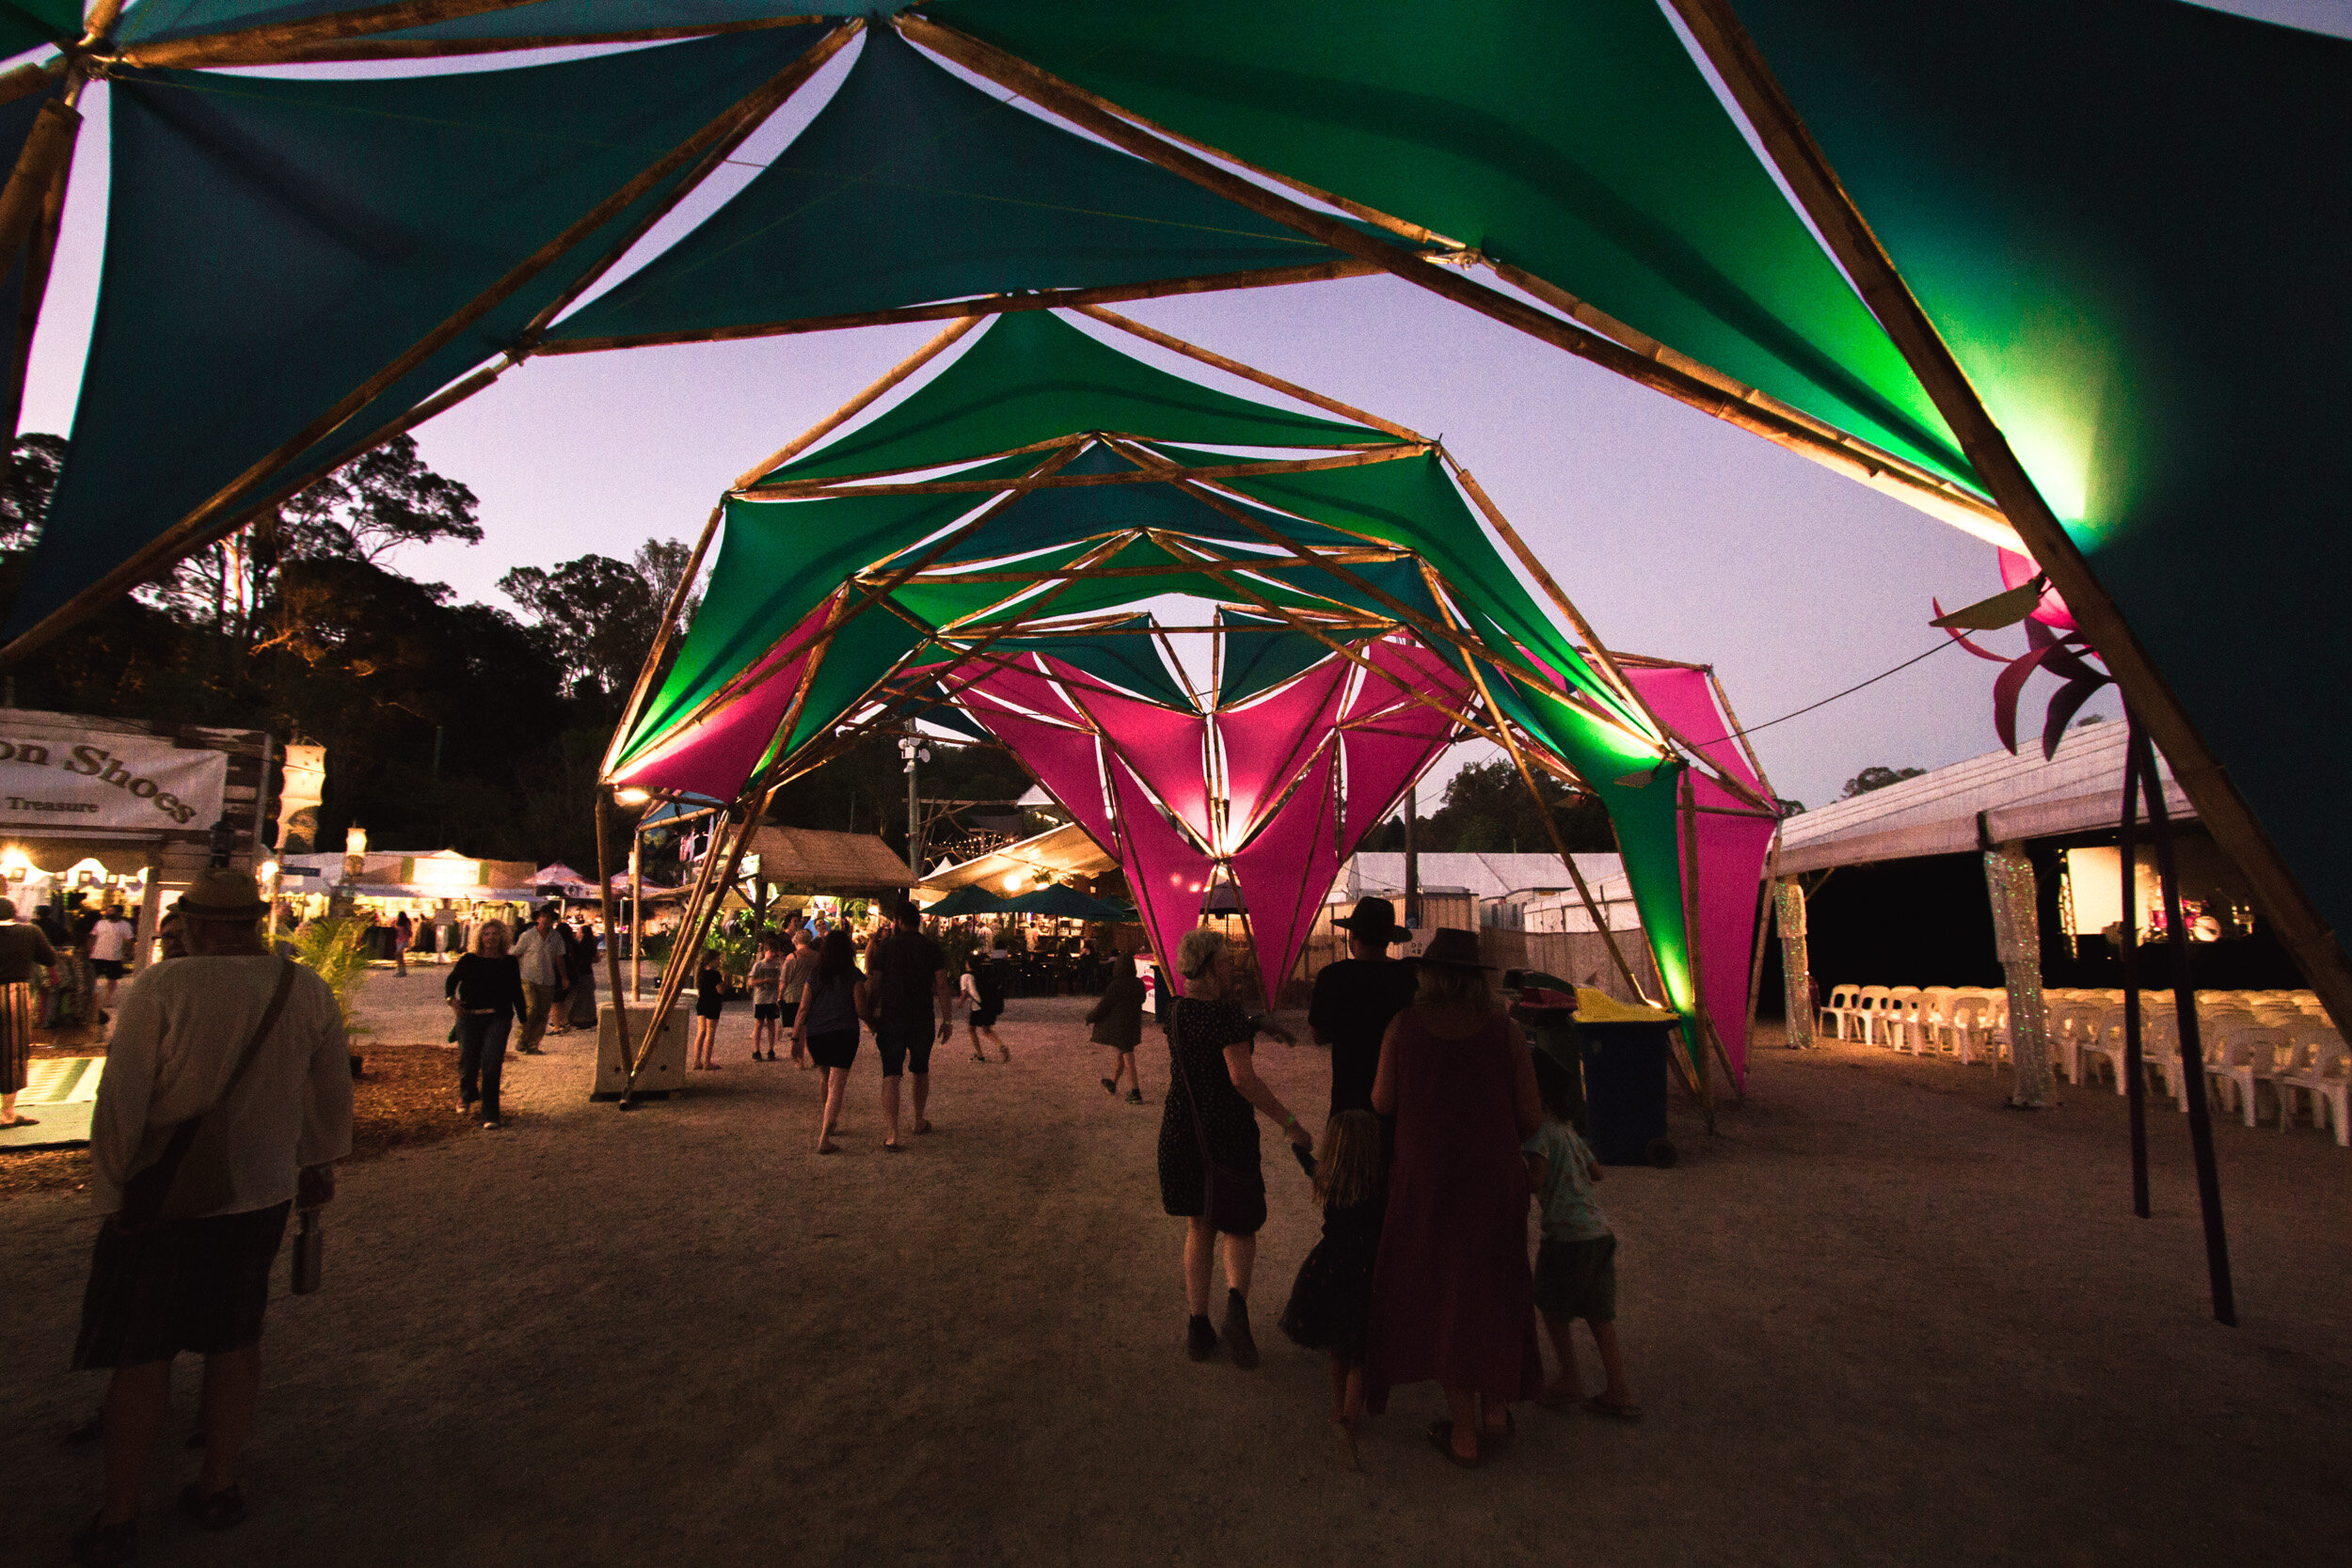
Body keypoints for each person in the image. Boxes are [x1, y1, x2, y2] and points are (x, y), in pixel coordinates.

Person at [70, 869, 351, 1566]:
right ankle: (218, 1481)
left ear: (191, 923)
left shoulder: (163, 989)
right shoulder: (303, 988)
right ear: (256, 921)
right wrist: (319, 1160)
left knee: (142, 1350)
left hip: (164, 1196)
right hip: (259, 1189)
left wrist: (112, 1189)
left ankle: (120, 1510)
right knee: (234, 1335)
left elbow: (123, 1098)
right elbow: (330, 1089)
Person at [1363, 927, 1543, 1468]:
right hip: (1493, 1179)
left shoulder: (1403, 1028)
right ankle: (1494, 1407)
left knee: (1440, 1296)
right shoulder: (1505, 1032)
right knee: (1493, 1287)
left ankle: (1463, 1433)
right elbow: (1532, 1116)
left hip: (1428, 1184)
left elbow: (1381, 1101)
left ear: (1430, 975)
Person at [1158, 927, 1308, 1370]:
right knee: (1240, 1225)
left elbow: (1209, 1029)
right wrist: (1291, 1123)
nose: (1232, 967)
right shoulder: (1224, 1017)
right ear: (1207, 967)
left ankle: (1198, 1326)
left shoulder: (1176, 1012)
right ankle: (1236, 1313)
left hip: (1183, 1130)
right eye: (1225, 961)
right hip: (1226, 1133)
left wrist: (1256, 1023)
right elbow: (1242, 1079)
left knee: (1199, 1225)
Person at [1525, 1048, 1639, 1420]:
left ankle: (1570, 1377)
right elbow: (1597, 1173)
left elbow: (1536, 1179)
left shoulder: (1538, 1132)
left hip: (1565, 1238)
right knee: (1598, 1314)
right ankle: (1618, 1389)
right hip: (1597, 1233)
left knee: (1551, 1307)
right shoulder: (1568, 1131)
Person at [1279, 1108, 1389, 1468]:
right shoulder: (1379, 1188)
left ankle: (1337, 1408)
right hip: (1365, 1272)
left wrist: (1298, 1146)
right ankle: (1351, 1418)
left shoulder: (1328, 1179)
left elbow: (1308, 1165)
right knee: (1360, 1351)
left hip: (1329, 1268)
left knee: (1336, 1347)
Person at [1310, 895, 1417, 1118]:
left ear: (1353, 935)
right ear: (1388, 939)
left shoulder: (1332, 976)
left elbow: (1318, 1036)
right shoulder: (1406, 977)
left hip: (1347, 1103)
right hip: (1396, 1102)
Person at [858, 900, 953, 1151]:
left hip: (892, 1016)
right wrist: (947, 1018)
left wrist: (869, 1016)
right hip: (921, 1016)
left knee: (891, 1073)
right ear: (918, 921)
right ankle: (918, 1120)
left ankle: (892, 1133)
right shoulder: (931, 948)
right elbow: (942, 984)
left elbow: (875, 982)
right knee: (920, 1069)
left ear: (899, 920)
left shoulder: (886, 947)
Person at [445, 919, 526, 1130]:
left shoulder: (508, 962)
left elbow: (516, 990)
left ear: (502, 938)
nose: (490, 938)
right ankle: (467, 1094)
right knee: (468, 1062)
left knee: (491, 1062)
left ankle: (490, 1113)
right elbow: (451, 982)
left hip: (497, 1017)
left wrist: (524, 1017)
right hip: (469, 1017)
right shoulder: (469, 960)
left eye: (495, 934)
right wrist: (451, 1001)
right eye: (487, 934)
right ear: (480, 937)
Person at [793, 928, 863, 1154]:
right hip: (844, 1031)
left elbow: (803, 1008)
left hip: (817, 1033)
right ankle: (825, 1135)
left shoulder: (816, 974)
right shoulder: (853, 975)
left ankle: (829, 1122)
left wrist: (796, 1037)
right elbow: (861, 1007)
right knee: (837, 1084)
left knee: (825, 1078)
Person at [0, 897, 61, 1129]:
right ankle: (6, 1114)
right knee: (12, 1052)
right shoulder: (30, 932)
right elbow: (49, 958)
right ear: (15, 913)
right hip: (14, 993)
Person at [1088, 954, 1145, 1102]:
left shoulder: (1116, 985)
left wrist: (1091, 1017)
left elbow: (1104, 1005)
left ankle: (1135, 1092)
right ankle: (1113, 1082)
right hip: (1133, 1025)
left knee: (1128, 1058)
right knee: (1122, 1055)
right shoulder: (1138, 983)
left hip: (1121, 1027)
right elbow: (1142, 999)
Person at [509, 906, 564, 1054]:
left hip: (548, 980)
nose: (546, 919)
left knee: (542, 1014)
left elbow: (559, 958)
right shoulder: (528, 936)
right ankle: (522, 1038)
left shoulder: (556, 938)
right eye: (543, 916)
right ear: (538, 918)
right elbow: (516, 953)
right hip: (528, 978)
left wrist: (564, 977)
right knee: (532, 1009)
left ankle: (533, 1044)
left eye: (549, 917)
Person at [961, 949, 1009, 1065]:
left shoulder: (966, 976)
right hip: (988, 1005)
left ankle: (980, 1055)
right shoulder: (983, 973)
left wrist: (959, 1003)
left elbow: (964, 993)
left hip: (977, 1007)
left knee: (971, 1029)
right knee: (987, 1030)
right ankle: (1001, 1046)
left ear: (968, 964)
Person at [87, 907, 139, 1009]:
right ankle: (90, 997)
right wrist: (89, 949)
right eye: (109, 910)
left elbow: (129, 941)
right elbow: (93, 936)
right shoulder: (100, 923)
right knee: (92, 976)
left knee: (112, 978)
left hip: (114, 956)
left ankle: (107, 998)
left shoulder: (125, 925)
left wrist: (127, 954)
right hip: (97, 954)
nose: (109, 912)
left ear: (119, 913)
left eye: (112, 910)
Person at [780, 929, 818, 1069]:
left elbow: (784, 980)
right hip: (813, 995)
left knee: (798, 1028)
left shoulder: (792, 958)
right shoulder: (817, 957)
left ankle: (799, 1059)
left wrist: (779, 996)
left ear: (796, 942)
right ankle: (814, 1057)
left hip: (794, 995)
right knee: (810, 1028)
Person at [690, 944, 729, 1071]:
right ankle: (707, 1062)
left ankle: (697, 1061)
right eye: (718, 959)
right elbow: (720, 990)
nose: (720, 961)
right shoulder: (715, 974)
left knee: (701, 1032)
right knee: (710, 1033)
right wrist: (726, 981)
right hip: (712, 1003)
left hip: (702, 1003)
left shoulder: (700, 973)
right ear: (712, 960)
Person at [747, 936, 785, 1062]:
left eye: (775, 952)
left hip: (772, 998)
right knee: (758, 1024)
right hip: (761, 998)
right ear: (765, 951)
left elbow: (782, 979)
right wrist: (765, 980)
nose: (773, 954)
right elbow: (751, 982)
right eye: (771, 951)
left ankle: (770, 1049)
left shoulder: (777, 966)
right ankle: (756, 1050)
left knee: (771, 1024)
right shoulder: (758, 966)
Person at [564, 918, 600, 1032]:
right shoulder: (592, 944)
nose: (577, 932)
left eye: (579, 931)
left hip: (583, 974)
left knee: (580, 999)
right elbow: (595, 958)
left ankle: (580, 1020)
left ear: (583, 933)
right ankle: (589, 1018)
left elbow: (581, 959)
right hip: (589, 973)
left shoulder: (581, 945)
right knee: (588, 999)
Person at [390, 911, 412, 978]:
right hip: (399, 941)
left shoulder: (405, 923)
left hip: (403, 941)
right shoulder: (400, 923)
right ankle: (402, 970)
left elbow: (409, 932)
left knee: (399, 956)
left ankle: (401, 971)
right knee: (399, 956)